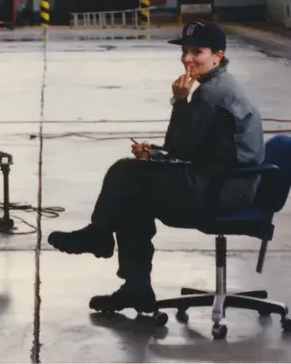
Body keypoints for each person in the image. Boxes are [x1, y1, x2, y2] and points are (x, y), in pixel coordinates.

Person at [47, 21, 265, 313]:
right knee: (133, 195)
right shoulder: (220, 86)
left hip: (223, 188)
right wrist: (155, 154)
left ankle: (100, 237)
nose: (187, 59)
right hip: (226, 181)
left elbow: (179, 148)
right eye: (185, 51)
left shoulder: (211, 94)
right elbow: (194, 148)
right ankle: (135, 288)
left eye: (197, 52)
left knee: (124, 173)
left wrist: (179, 101)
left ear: (218, 55)